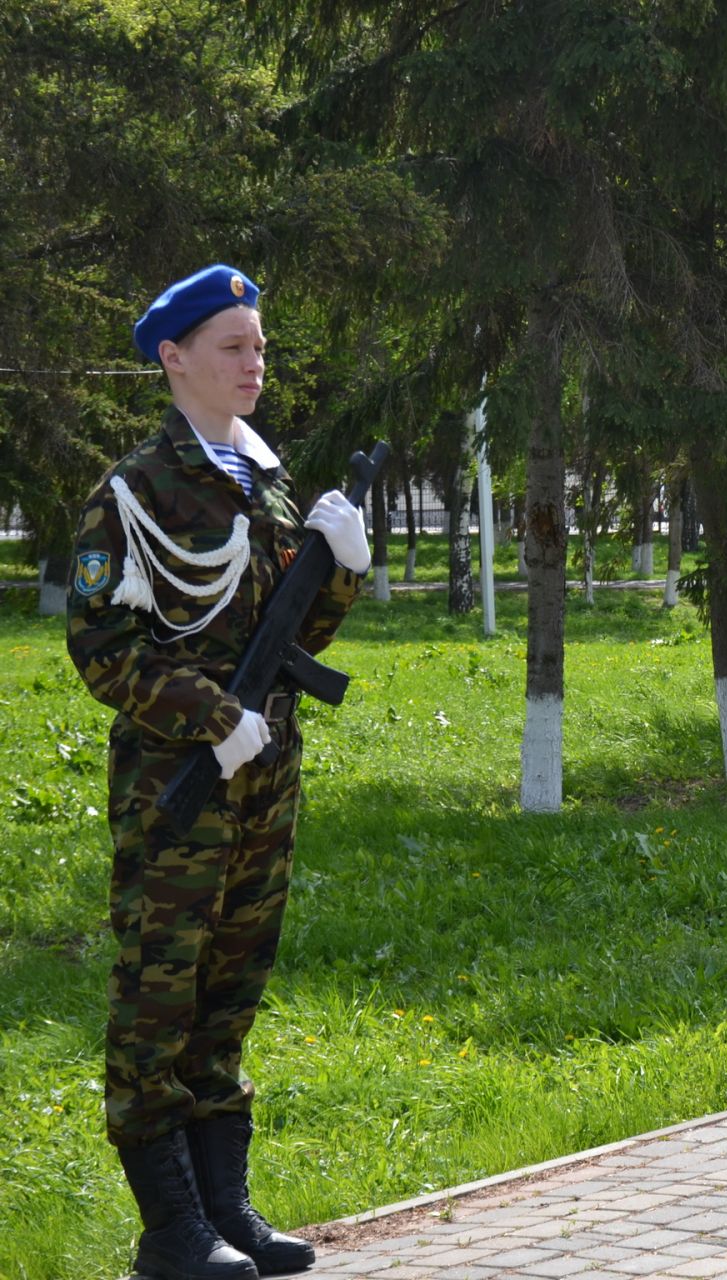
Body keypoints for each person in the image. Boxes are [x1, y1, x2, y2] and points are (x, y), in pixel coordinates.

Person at [67, 265, 372, 1280]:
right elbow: (101, 645)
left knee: (232, 988)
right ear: (176, 357)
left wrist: (340, 570)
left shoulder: (266, 481)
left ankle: (226, 1208)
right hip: (176, 784)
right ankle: (171, 1230)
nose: (257, 361)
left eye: (260, 344)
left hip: (268, 775)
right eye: (235, 346)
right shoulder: (135, 489)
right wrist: (209, 715)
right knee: (160, 995)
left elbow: (287, 636)